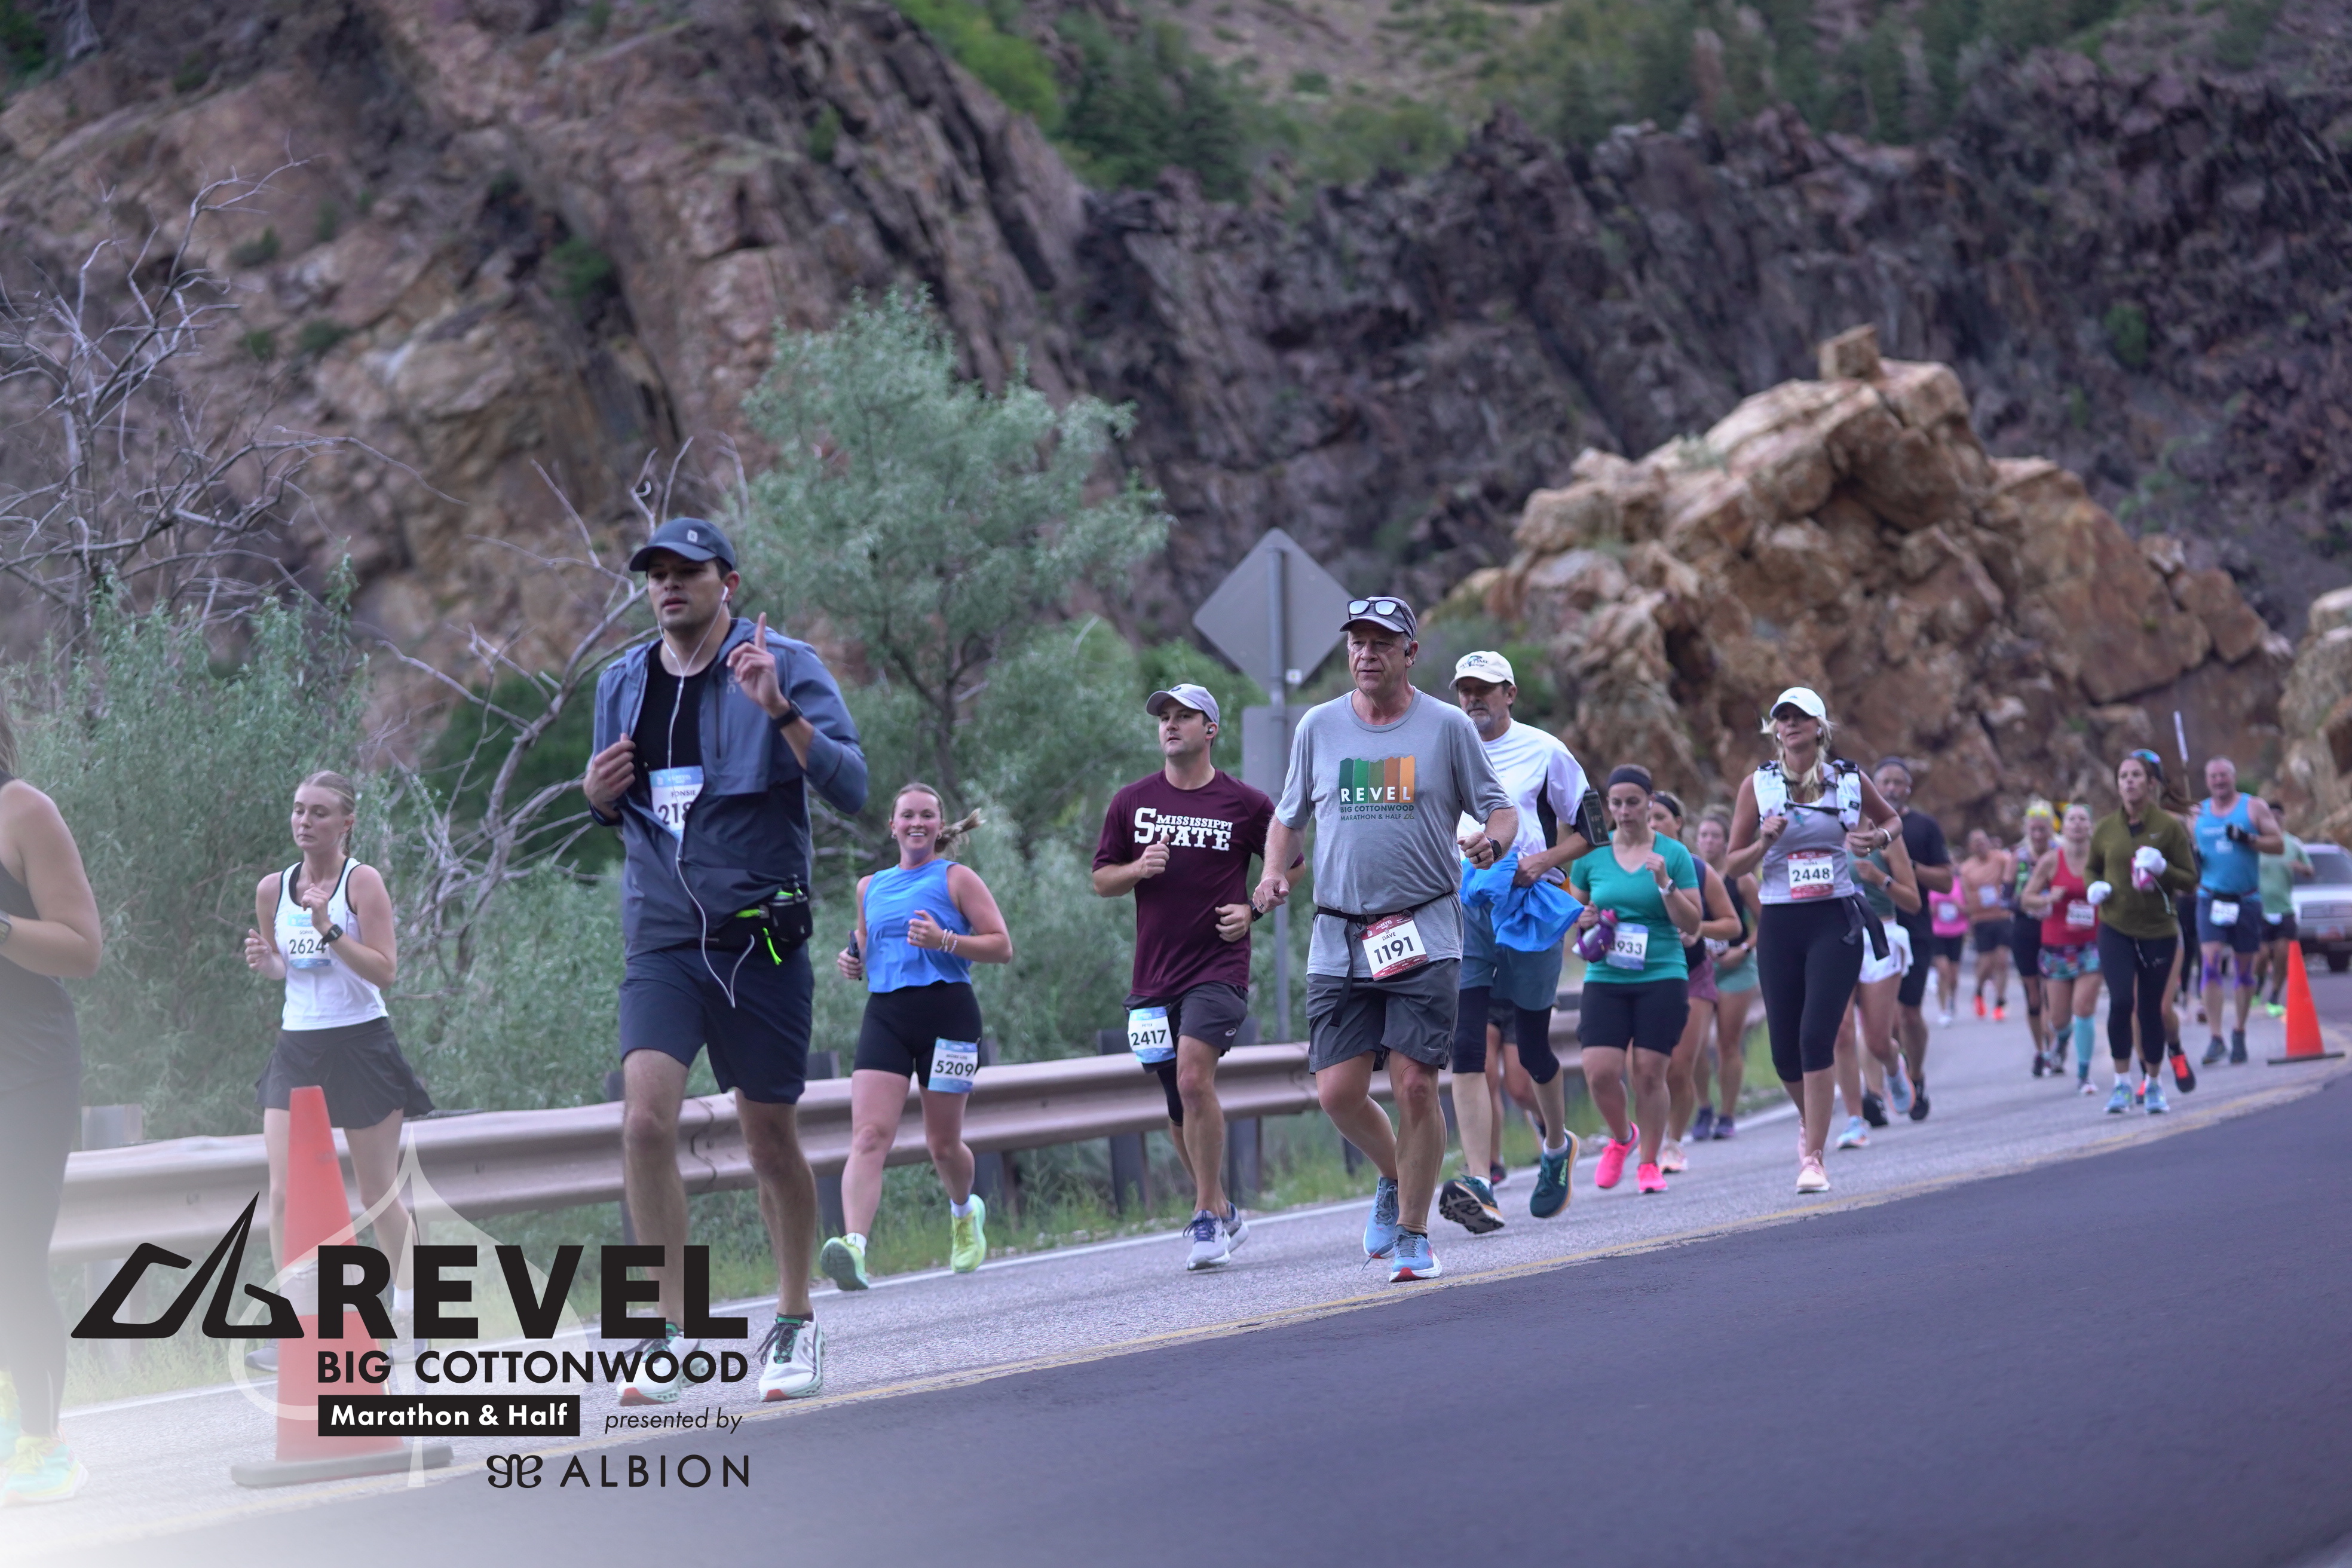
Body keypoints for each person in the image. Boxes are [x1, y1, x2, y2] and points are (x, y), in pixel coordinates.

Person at [582, 517, 868, 1404]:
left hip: (760, 942)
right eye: (656, 573)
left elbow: (854, 788)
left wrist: (779, 709)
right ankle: (666, 1333)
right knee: (644, 1124)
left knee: (768, 1140)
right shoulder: (621, 683)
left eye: (688, 571)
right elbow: (618, 807)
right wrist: (594, 798)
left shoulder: (786, 664)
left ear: (727, 583)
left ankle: (795, 1320)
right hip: (664, 940)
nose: (669, 585)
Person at [1256, 596, 1514, 1284]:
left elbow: (1501, 809)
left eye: (1381, 643)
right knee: (1338, 1092)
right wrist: (1274, 872)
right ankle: (1397, 1175)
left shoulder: (1447, 726)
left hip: (1423, 928)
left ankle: (1414, 1234)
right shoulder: (1318, 726)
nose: (1367, 654)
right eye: (1357, 643)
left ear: (1410, 653)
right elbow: (1287, 817)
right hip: (1339, 933)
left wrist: (1491, 843)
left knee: (1416, 1085)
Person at [240, 772, 433, 1373]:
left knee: (377, 1193)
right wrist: (267, 962)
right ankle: (296, 1327)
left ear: (346, 822)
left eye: (319, 812)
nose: (305, 821)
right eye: (299, 809)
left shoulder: (361, 882)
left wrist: (328, 926)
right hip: (297, 1046)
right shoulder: (273, 888)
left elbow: (385, 970)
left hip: (360, 1044)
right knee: (283, 1193)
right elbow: (286, 966)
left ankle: (413, 1318)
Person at [1092, 684, 1274, 1270]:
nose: (1170, 725)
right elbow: (1101, 879)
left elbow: (1288, 863)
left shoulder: (1245, 802)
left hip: (1218, 968)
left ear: (1210, 729)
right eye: (1164, 717)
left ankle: (1203, 1217)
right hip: (1152, 978)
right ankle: (1222, 1208)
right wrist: (1137, 868)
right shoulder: (1132, 801)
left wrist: (1253, 908)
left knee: (1195, 1080)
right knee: (1177, 1101)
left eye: (1183, 716)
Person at [825, 785, 1010, 1290]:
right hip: (886, 1014)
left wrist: (945, 940)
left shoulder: (956, 878)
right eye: (907, 815)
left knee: (943, 1145)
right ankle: (854, 1248)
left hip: (950, 1016)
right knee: (869, 1136)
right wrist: (852, 961)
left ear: (938, 825)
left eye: (927, 815)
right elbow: (866, 943)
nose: (917, 823)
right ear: (893, 826)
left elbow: (1001, 946)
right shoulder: (870, 886)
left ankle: (964, 1212)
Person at [1726, 688, 1907, 1193]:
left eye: (1800, 717)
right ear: (1775, 729)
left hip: (1835, 919)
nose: (1790, 724)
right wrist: (1764, 841)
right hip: (1781, 922)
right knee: (1785, 1053)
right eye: (1783, 718)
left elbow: (1892, 819)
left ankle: (1814, 1157)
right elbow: (1733, 864)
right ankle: (1813, 1118)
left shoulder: (1848, 779)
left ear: (1819, 727)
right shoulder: (1758, 786)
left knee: (1815, 1037)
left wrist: (1878, 839)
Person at [1438, 651, 1592, 1233]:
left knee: (1531, 1049)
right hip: (1466, 906)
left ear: (1510, 693)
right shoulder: (1443, 751)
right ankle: (1480, 1179)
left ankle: (1556, 1146)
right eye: (1465, 689)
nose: (1473, 698)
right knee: (1466, 1044)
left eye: (1485, 688)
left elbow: (1592, 828)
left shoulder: (1545, 750)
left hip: (1529, 904)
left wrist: (1543, 861)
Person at [0, 696, 103, 1505]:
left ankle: (45, 1445)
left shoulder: (23, 811)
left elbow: (83, 948)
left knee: (12, 1258)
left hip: (27, 1071)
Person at [1569, 767, 1702, 1196]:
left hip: (1661, 972)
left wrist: (1666, 885)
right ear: (1608, 806)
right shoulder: (1592, 855)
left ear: (1649, 802)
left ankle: (1649, 1163)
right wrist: (1583, 918)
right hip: (1606, 975)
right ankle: (1623, 1137)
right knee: (1599, 1072)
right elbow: (1574, 916)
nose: (1625, 811)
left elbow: (1693, 923)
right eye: (1617, 803)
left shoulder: (1673, 854)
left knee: (1649, 1073)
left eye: (1633, 802)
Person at [2086, 751, 2198, 1114]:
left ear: (2150, 783)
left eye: (2136, 775)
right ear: (2117, 785)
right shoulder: (2106, 828)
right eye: (2123, 776)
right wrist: (2094, 886)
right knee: (2121, 1002)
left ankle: (2154, 1083)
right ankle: (2121, 1083)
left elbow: (2191, 880)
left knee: (2151, 1009)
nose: (2129, 782)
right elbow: (2092, 867)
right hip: (2116, 926)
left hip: (2157, 929)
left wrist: (2163, 868)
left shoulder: (2169, 827)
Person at [1650, 792, 1740, 1174]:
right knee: (1646, 1069)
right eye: (1647, 817)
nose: (1652, 824)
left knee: (1680, 1065)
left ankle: (1673, 1142)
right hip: (1642, 976)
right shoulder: (1623, 866)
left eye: (1660, 817)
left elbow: (1732, 925)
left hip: (1692, 975)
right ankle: (1651, 1138)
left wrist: (1697, 929)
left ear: (1678, 823)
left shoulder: (1698, 869)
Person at [2189, 757, 2285, 1065]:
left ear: (2233, 777)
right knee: (2211, 963)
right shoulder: (2197, 814)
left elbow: (2279, 844)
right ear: (2207, 781)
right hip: (2210, 898)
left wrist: (2248, 839)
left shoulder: (2253, 807)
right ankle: (2216, 1037)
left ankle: (2239, 1030)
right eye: (2214, 776)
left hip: (2246, 900)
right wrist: (2192, 860)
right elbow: (2188, 853)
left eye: (2224, 775)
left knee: (2244, 970)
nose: (2219, 781)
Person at [1830, 834, 1919, 1150]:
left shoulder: (1885, 839)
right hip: (1835, 938)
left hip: (1880, 937)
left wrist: (1881, 878)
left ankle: (1893, 1066)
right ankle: (1855, 1120)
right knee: (1841, 1032)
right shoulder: (1821, 832)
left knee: (1876, 1042)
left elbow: (1913, 902)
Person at [1875, 758, 1952, 1110]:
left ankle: (1916, 1077)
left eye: (1898, 782)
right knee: (1881, 1020)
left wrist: (1907, 866)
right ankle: (1882, 1087)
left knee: (1908, 1014)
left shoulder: (1924, 827)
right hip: (1872, 930)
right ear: (1873, 786)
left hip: (1914, 929)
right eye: (1885, 782)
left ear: (1909, 789)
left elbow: (1946, 881)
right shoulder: (1858, 826)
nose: (1891, 788)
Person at [2021, 803, 2103, 1094]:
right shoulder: (2051, 861)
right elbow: (2026, 898)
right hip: (2057, 946)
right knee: (2058, 1019)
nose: (2078, 824)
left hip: (2092, 944)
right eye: (2072, 819)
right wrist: (2048, 899)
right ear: (2063, 827)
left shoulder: (2101, 858)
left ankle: (2084, 1074)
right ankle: (2063, 1039)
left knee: (2084, 1008)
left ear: (2090, 826)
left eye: (2083, 819)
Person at [1691, 807, 1759, 1140]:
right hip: (1698, 967)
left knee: (1728, 1044)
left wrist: (1742, 950)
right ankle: (1704, 1106)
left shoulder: (1741, 878)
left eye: (1715, 836)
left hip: (1734, 968)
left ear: (1726, 841)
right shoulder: (1689, 875)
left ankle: (1728, 1114)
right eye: (1703, 835)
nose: (1708, 842)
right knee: (1694, 1045)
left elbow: (1766, 922)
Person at [2256, 803, 2313, 1018]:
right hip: (2260, 910)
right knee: (2261, 956)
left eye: (2279, 816)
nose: (2275, 819)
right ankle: (2259, 984)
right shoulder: (2258, 842)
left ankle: (2274, 997)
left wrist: (2302, 868)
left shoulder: (2293, 844)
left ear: (2284, 818)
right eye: (2271, 816)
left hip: (2284, 909)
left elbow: (2310, 870)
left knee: (2282, 955)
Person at [2011, 803, 2057, 1073]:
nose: (2038, 835)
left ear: (2051, 828)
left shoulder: (2059, 853)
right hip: (2025, 928)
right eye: (2034, 830)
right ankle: (2040, 1050)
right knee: (2033, 995)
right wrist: (2027, 903)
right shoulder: (2018, 857)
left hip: (2054, 927)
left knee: (2053, 992)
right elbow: (2006, 896)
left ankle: (2054, 1048)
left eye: (2043, 829)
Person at [1959, 829, 2017, 1021]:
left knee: (2002, 959)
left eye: (1983, 841)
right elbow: (1966, 895)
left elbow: (2013, 873)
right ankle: (1979, 990)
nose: (1980, 845)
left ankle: (2000, 1001)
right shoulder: (1967, 868)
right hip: (1981, 919)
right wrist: (1969, 916)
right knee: (1986, 961)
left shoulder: (2000, 859)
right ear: (1971, 847)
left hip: (2002, 916)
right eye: (1976, 842)